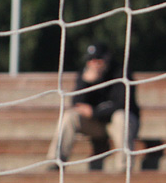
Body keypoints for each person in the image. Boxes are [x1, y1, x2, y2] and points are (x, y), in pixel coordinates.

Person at [47, 42, 141, 172]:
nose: (94, 63)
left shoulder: (121, 73)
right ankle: (55, 161)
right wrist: (87, 83)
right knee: (69, 116)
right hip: (97, 125)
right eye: (90, 60)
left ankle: (124, 169)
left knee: (121, 117)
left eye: (98, 60)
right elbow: (76, 104)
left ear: (107, 59)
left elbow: (123, 104)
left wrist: (95, 112)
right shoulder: (85, 74)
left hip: (119, 125)